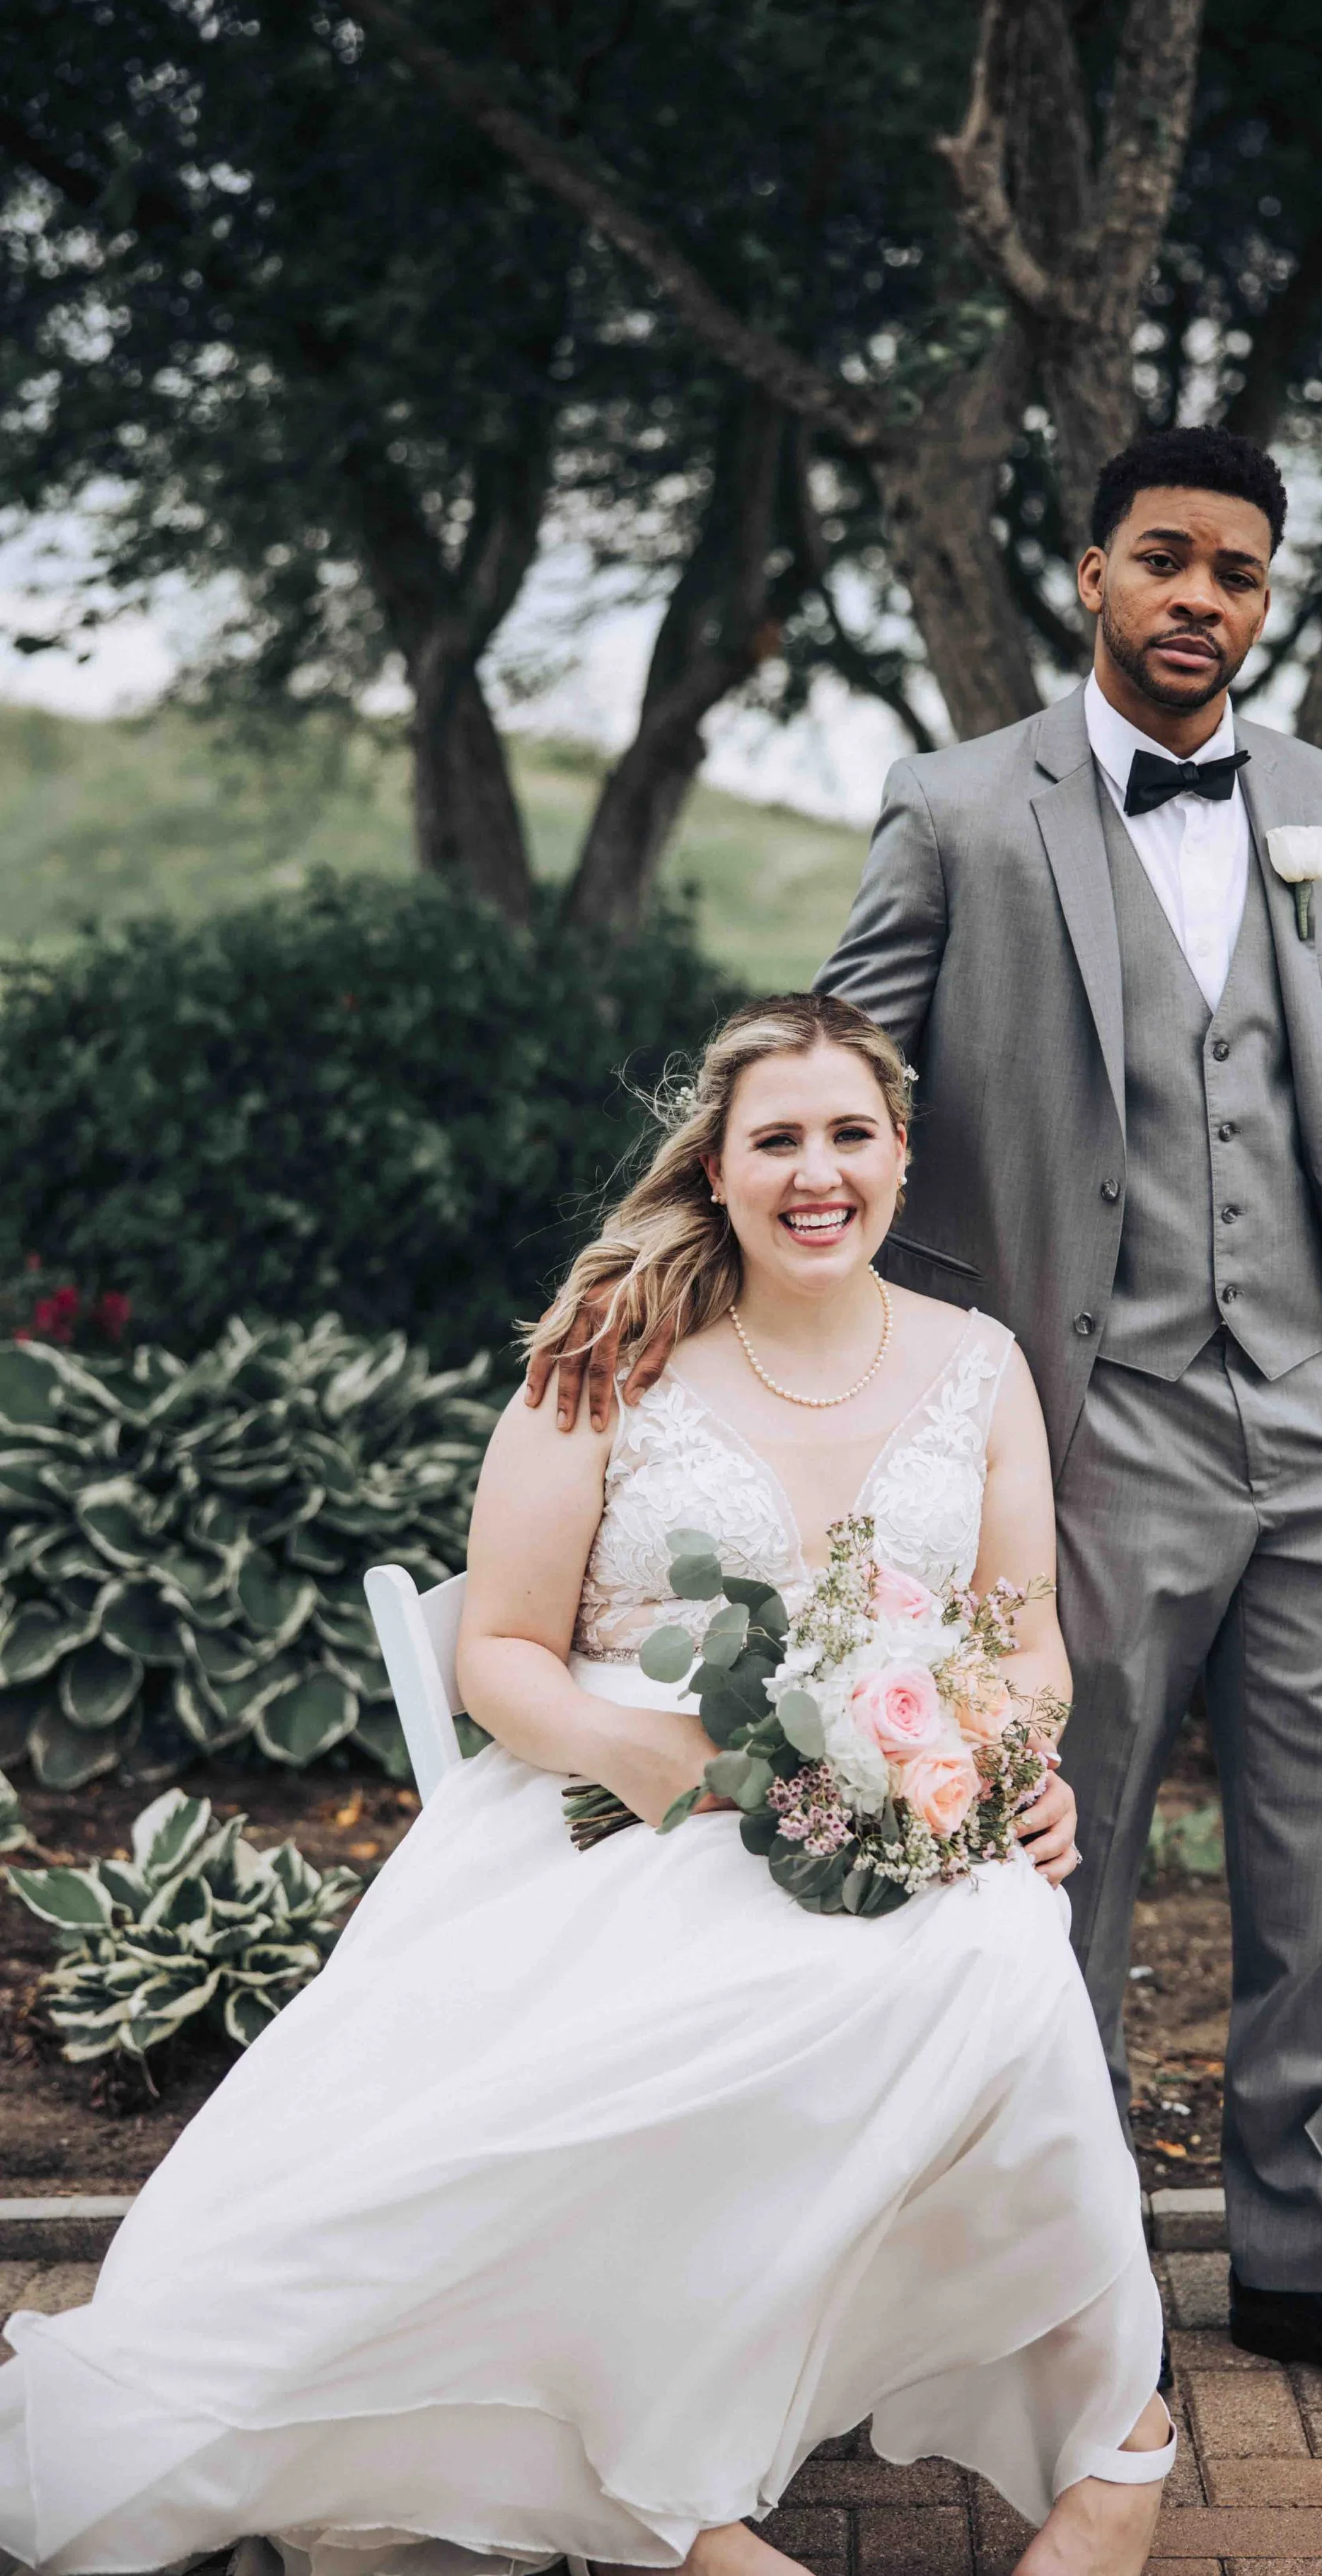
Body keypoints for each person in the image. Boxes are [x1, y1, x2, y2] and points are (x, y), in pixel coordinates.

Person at [531, 428, 1322, 2427]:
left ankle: (1302, 2257)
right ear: (1086, 574)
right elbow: (823, 1077)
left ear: (1264, 600)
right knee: (1052, 1858)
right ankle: (1062, 2270)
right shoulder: (960, 808)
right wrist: (683, 1272)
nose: (1200, 602)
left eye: (1237, 574)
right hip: (1093, 1412)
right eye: (1163, 560)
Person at [0, 994, 1174, 2576]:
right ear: (716, 1166)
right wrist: (647, 1753)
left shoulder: (978, 1366)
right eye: (776, 1140)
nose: (814, 1172)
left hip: (887, 1817)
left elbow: (1019, 1639)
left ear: (901, 1158)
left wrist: (1006, 1768)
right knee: (713, 2029)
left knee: (1002, 1959)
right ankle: (668, 2499)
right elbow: (498, 1652)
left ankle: (1116, 2446)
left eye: (848, 1135)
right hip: (623, 1815)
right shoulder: (611, 1355)